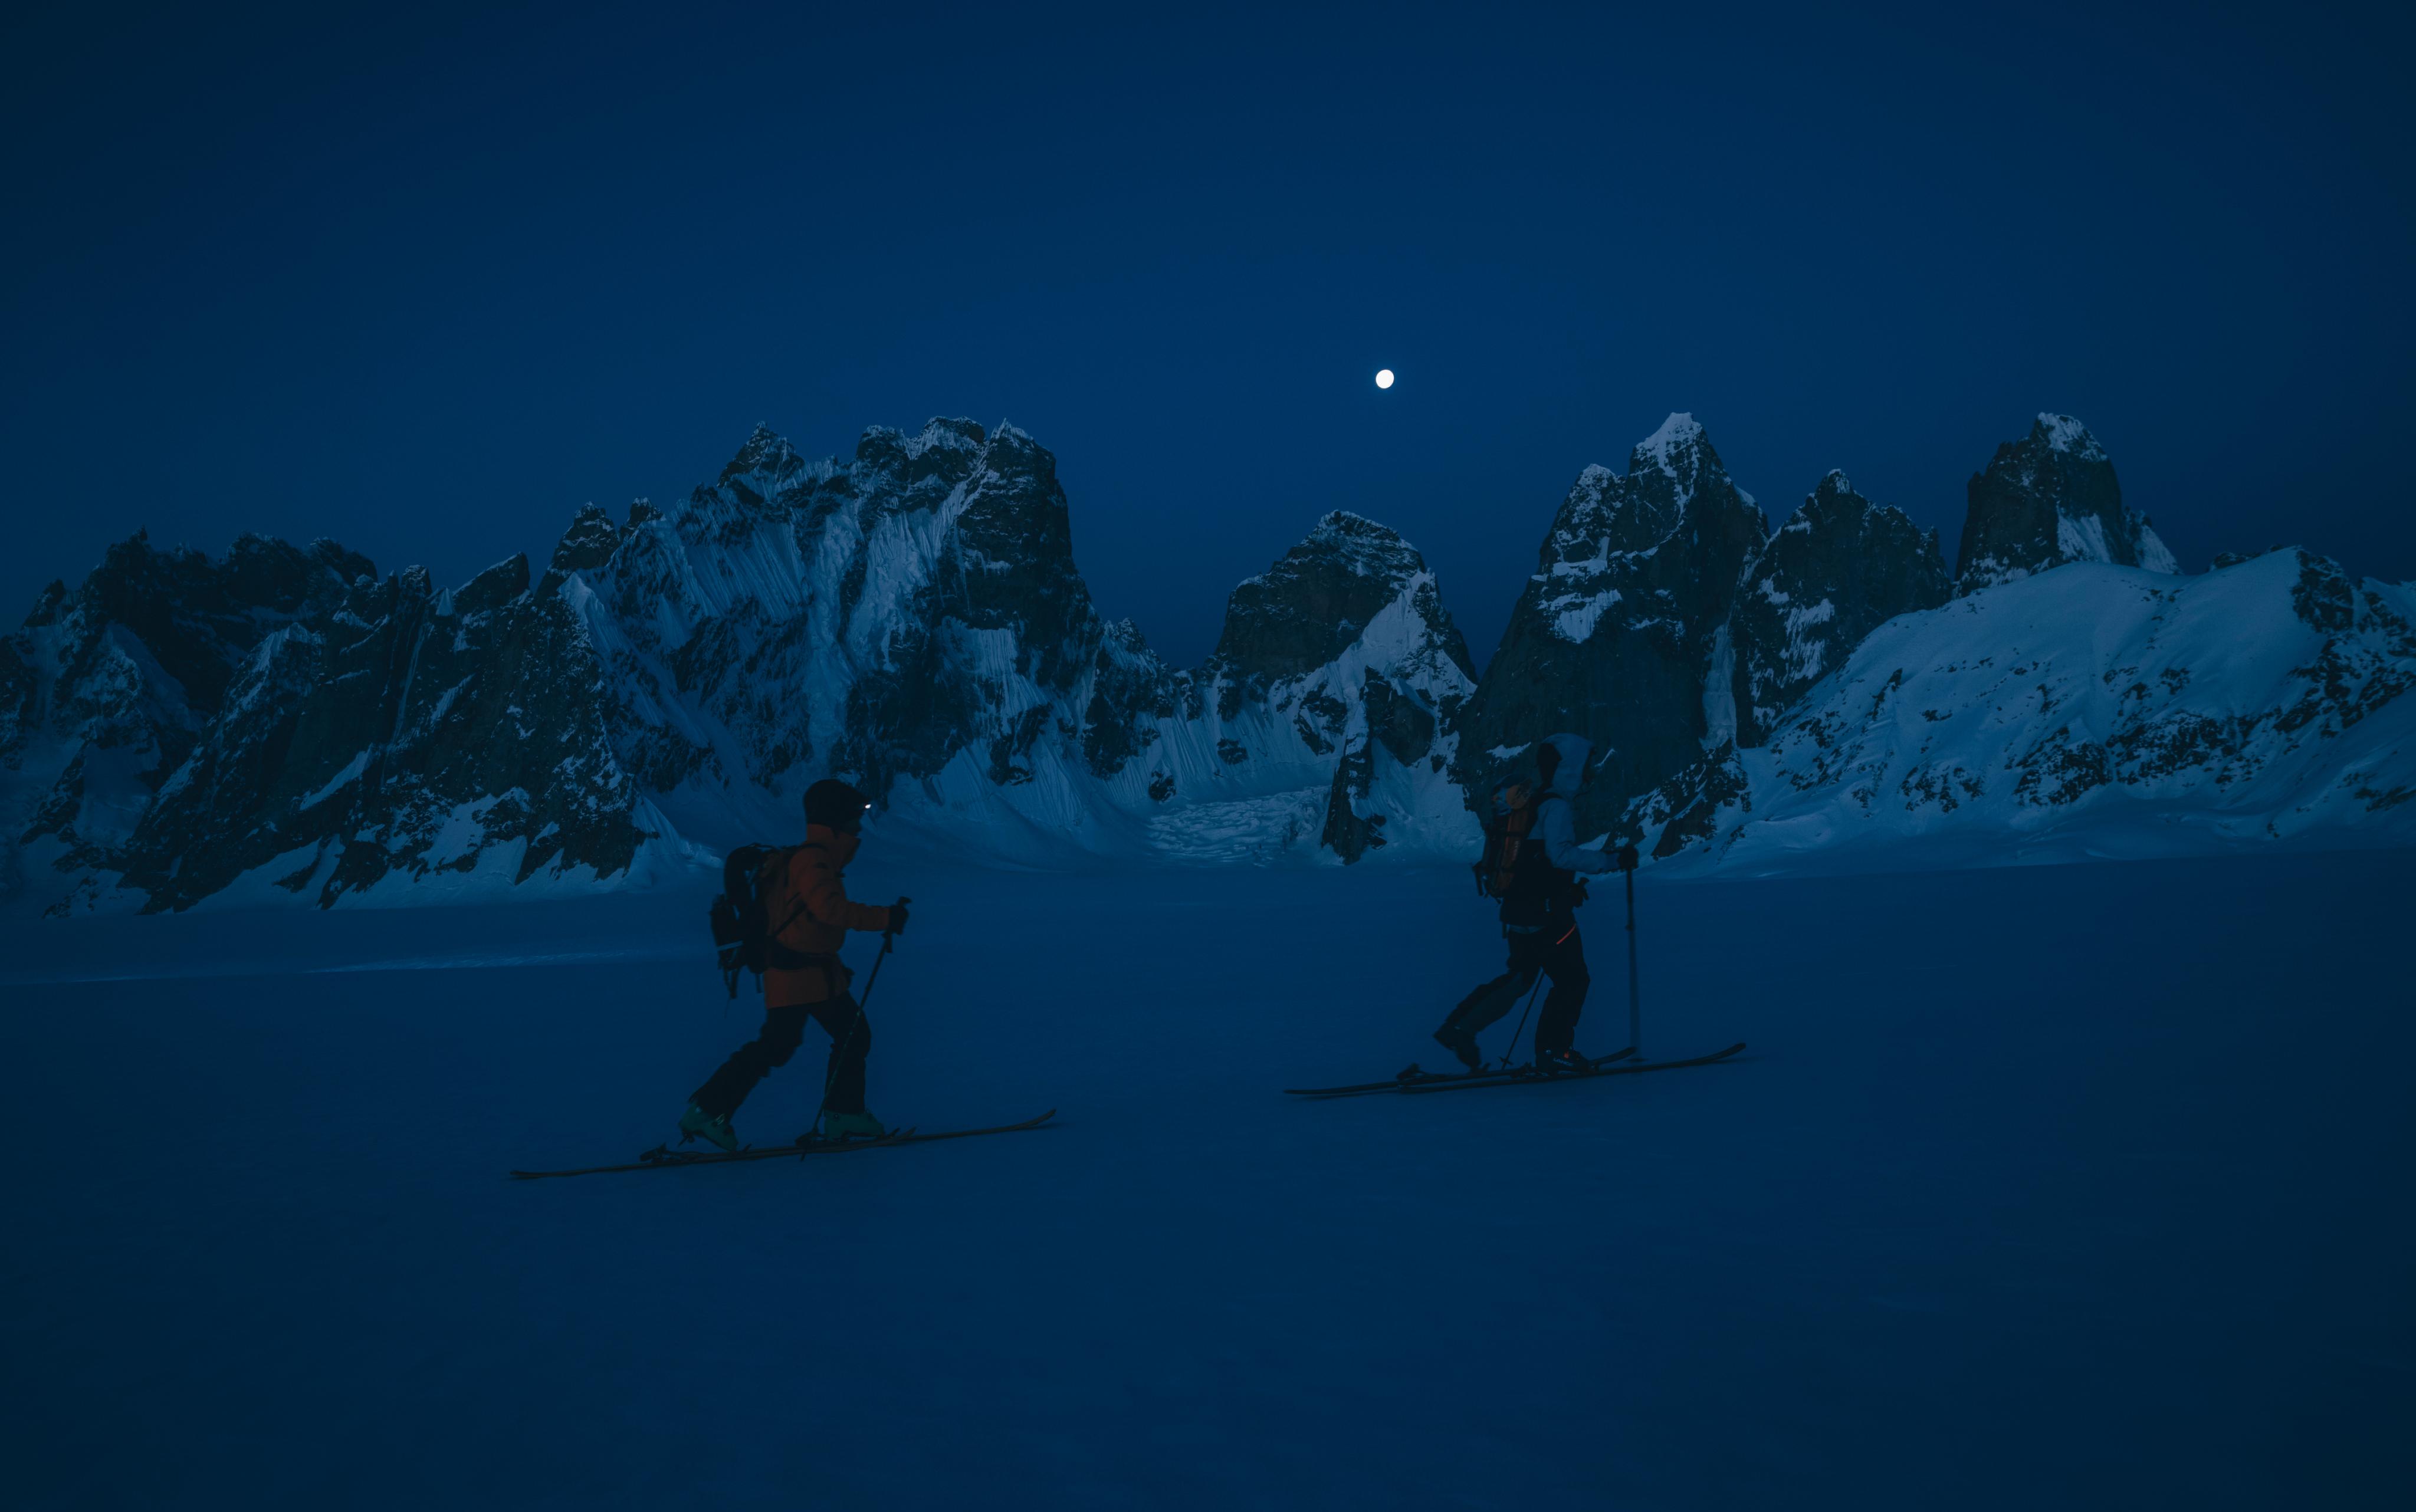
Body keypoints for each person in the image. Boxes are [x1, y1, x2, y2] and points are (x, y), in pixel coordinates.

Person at [678, 778, 907, 1150]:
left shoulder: (813, 858)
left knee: (838, 1036)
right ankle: (708, 1112)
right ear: (836, 820)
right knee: (789, 1044)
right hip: (798, 976)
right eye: (853, 819)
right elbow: (829, 909)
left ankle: (842, 1112)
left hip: (808, 975)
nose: (859, 826)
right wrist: (885, 918)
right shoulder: (813, 860)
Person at [1433, 733, 1615, 1071]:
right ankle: (1555, 1051)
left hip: (1518, 913)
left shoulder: (1530, 806)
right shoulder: (1554, 805)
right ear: (1569, 768)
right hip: (1547, 918)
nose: (1590, 771)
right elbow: (1558, 856)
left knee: (1520, 978)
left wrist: (1566, 891)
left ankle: (1460, 1028)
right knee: (1573, 980)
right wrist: (1612, 861)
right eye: (1585, 765)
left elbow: (1534, 864)